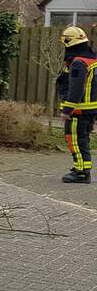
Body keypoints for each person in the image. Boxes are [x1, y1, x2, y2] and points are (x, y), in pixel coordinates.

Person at [56, 26, 97, 183]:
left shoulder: (78, 63)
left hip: (78, 111)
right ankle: (81, 167)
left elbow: (76, 88)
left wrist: (67, 110)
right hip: (90, 110)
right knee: (83, 139)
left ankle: (81, 173)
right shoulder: (92, 60)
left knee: (74, 140)